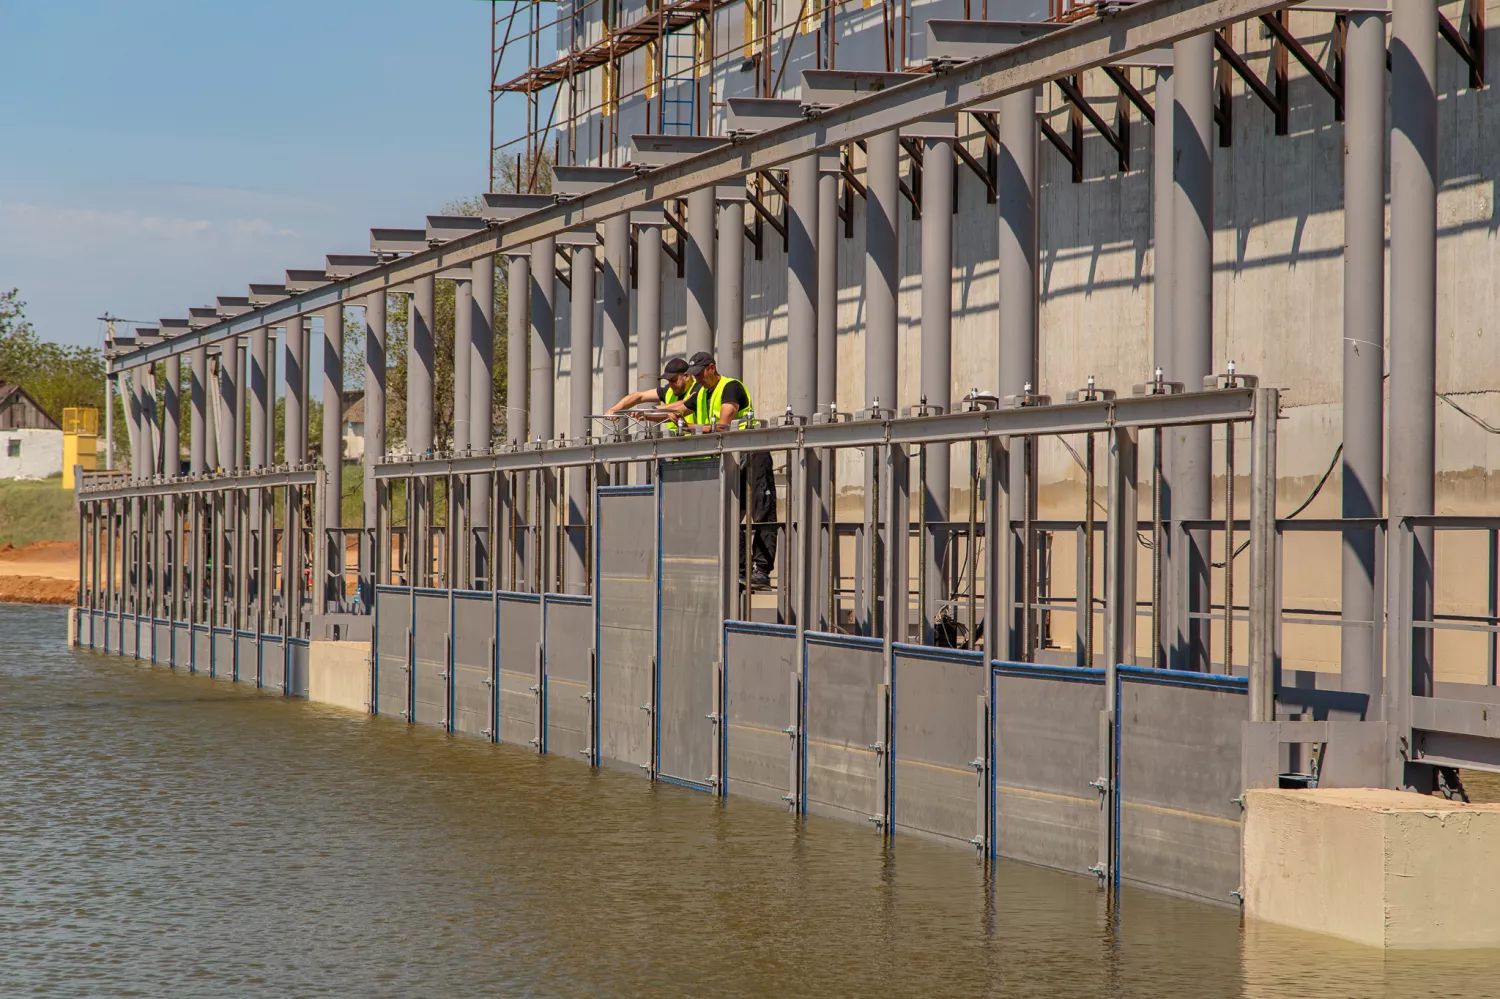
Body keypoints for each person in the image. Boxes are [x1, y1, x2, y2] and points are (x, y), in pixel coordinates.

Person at [671, 351, 776, 588]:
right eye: (694, 376)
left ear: (711, 367)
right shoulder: (701, 392)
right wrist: (645, 413)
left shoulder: (730, 388)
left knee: (761, 512)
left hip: (752, 452)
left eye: (699, 374)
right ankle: (739, 570)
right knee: (730, 513)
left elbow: (723, 425)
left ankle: (761, 571)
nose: (697, 379)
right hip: (730, 458)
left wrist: (689, 427)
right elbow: (679, 407)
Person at [603, 357, 700, 428]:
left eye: (674, 380)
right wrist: (615, 409)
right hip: (675, 448)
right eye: (668, 381)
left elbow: (681, 406)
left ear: (686, 376)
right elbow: (639, 396)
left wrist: (647, 412)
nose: (670, 384)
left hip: (698, 448)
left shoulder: (698, 389)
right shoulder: (669, 390)